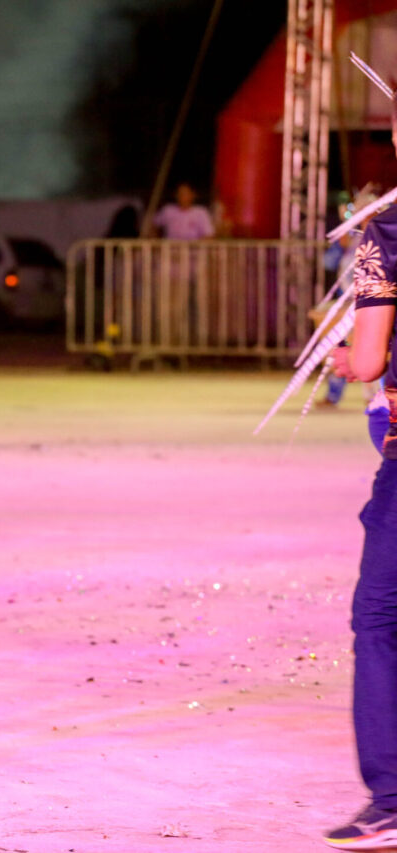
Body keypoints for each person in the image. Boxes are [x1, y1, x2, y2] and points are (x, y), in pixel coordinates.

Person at [325, 127, 397, 844]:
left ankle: (393, 796)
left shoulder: (389, 231)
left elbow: (370, 359)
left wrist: (351, 355)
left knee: (379, 617)